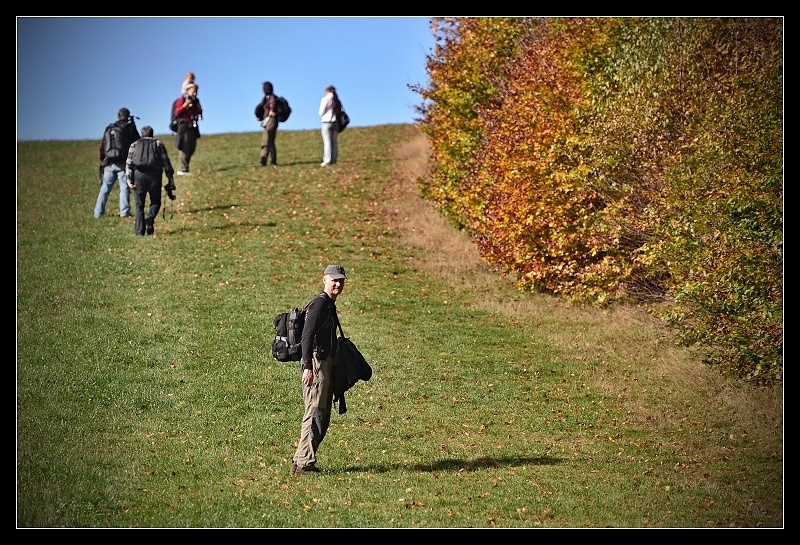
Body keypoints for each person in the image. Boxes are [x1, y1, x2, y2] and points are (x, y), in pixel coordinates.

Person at [291, 264, 347, 475]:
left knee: (318, 413)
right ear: (324, 279)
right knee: (316, 413)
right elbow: (307, 335)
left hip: (323, 363)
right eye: (334, 279)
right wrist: (307, 366)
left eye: (341, 280)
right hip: (316, 363)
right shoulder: (321, 304)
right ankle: (304, 463)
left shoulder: (327, 305)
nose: (337, 284)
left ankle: (300, 461)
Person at [125, 126, 176, 237]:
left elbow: (129, 164)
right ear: (152, 134)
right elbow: (166, 162)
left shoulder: (134, 145)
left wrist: (129, 180)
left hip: (139, 176)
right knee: (156, 201)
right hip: (155, 176)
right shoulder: (158, 144)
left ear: (141, 134)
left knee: (139, 206)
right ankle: (150, 217)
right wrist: (170, 178)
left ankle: (139, 233)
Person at [94, 107, 140, 218]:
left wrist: (102, 161)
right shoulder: (129, 127)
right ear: (128, 116)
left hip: (109, 162)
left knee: (105, 188)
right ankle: (124, 212)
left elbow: (102, 145)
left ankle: (98, 212)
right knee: (124, 187)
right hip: (123, 162)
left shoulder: (110, 128)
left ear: (118, 116)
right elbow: (137, 142)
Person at [174, 83, 202, 175]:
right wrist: (185, 105)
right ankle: (182, 169)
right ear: (188, 91)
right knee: (185, 147)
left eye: (196, 91)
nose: (195, 93)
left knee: (191, 148)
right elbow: (177, 112)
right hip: (184, 126)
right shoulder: (182, 99)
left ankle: (186, 168)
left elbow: (199, 112)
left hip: (193, 126)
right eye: (193, 91)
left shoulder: (196, 101)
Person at [255, 81, 279, 167]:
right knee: (267, 140)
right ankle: (267, 160)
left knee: (268, 140)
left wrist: (272, 111)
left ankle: (267, 160)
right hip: (267, 120)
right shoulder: (266, 98)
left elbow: (272, 105)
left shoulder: (271, 98)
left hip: (271, 120)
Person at [318, 85, 341, 166]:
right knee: (334, 142)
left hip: (326, 122)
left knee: (327, 142)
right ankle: (334, 159)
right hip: (336, 122)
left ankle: (327, 160)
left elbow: (321, 112)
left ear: (327, 91)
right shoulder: (336, 100)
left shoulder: (325, 99)